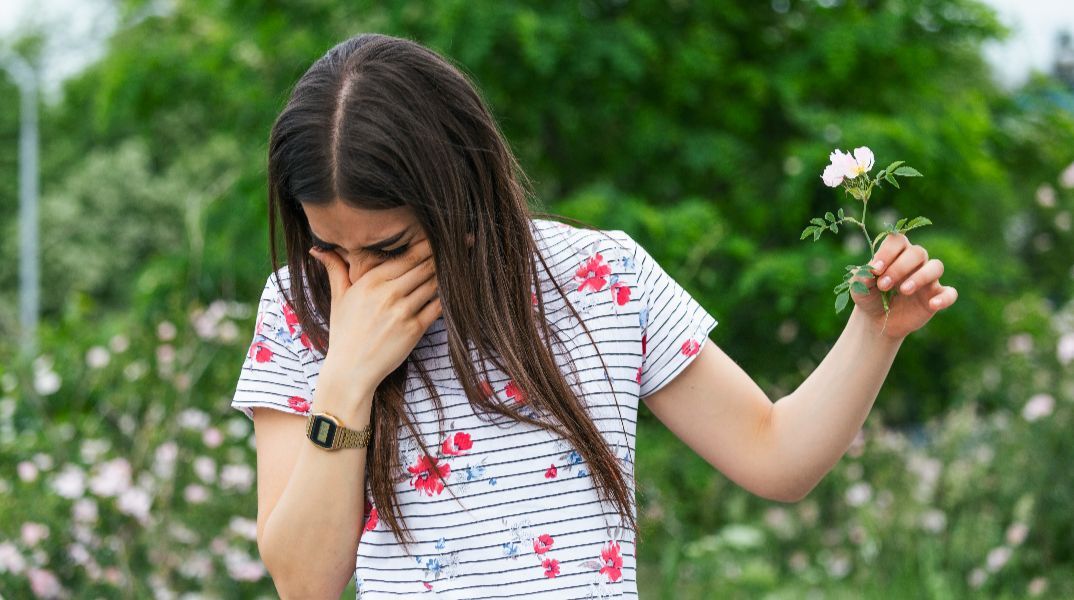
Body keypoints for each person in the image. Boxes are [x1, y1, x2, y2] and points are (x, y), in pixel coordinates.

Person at [231, 32, 956, 600]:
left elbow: (775, 456)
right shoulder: (300, 308)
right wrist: (347, 377)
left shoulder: (598, 274)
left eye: (388, 247)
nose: (356, 279)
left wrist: (874, 332)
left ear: (457, 192)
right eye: (331, 248)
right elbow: (305, 583)